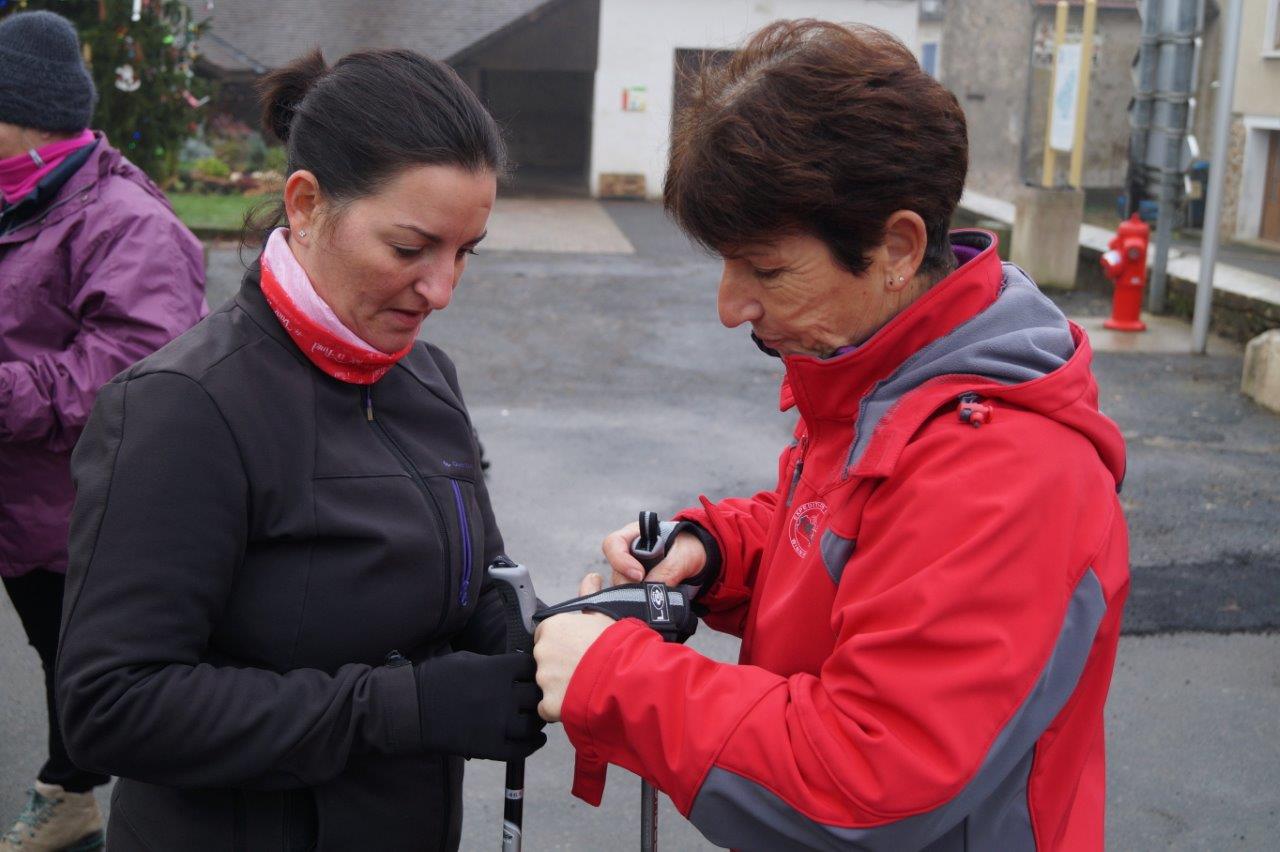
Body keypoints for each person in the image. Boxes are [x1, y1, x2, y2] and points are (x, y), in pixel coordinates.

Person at [533, 20, 1129, 851]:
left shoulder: (1006, 465)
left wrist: (614, 678)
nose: (729, 306)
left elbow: (868, 779)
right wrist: (714, 551)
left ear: (896, 246)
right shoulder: (891, 379)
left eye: (766, 270)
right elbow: (840, 532)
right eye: (727, 264)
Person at [55, 48, 544, 851]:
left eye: (466, 251)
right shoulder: (183, 406)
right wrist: (400, 709)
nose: (442, 289)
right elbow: (110, 705)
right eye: (410, 248)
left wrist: (542, 639)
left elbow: (473, 578)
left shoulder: (426, 378)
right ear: (308, 204)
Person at [0, 10, 206, 851]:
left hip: (70, 508)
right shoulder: (19, 196)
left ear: (19, 115)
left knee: (73, 659)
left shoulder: (129, 221)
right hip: (20, 500)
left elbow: (129, 373)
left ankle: (74, 793)